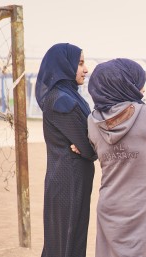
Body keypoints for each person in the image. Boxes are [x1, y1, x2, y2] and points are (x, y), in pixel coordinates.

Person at [86, 58, 146, 256]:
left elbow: (96, 151)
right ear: (126, 84)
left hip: (110, 204)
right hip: (144, 204)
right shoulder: (145, 112)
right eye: (138, 82)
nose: (142, 88)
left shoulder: (92, 121)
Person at [35, 43, 96, 257]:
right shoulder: (62, 101)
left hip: (69, 177)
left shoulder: (67, 96)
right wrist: (91, 148)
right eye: (80, 63)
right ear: (64, 65)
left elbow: (86, 144)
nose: (86, 69)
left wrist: (88, 146)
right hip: (69, 180)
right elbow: (89, 149)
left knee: (66, 240)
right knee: (67, 240)